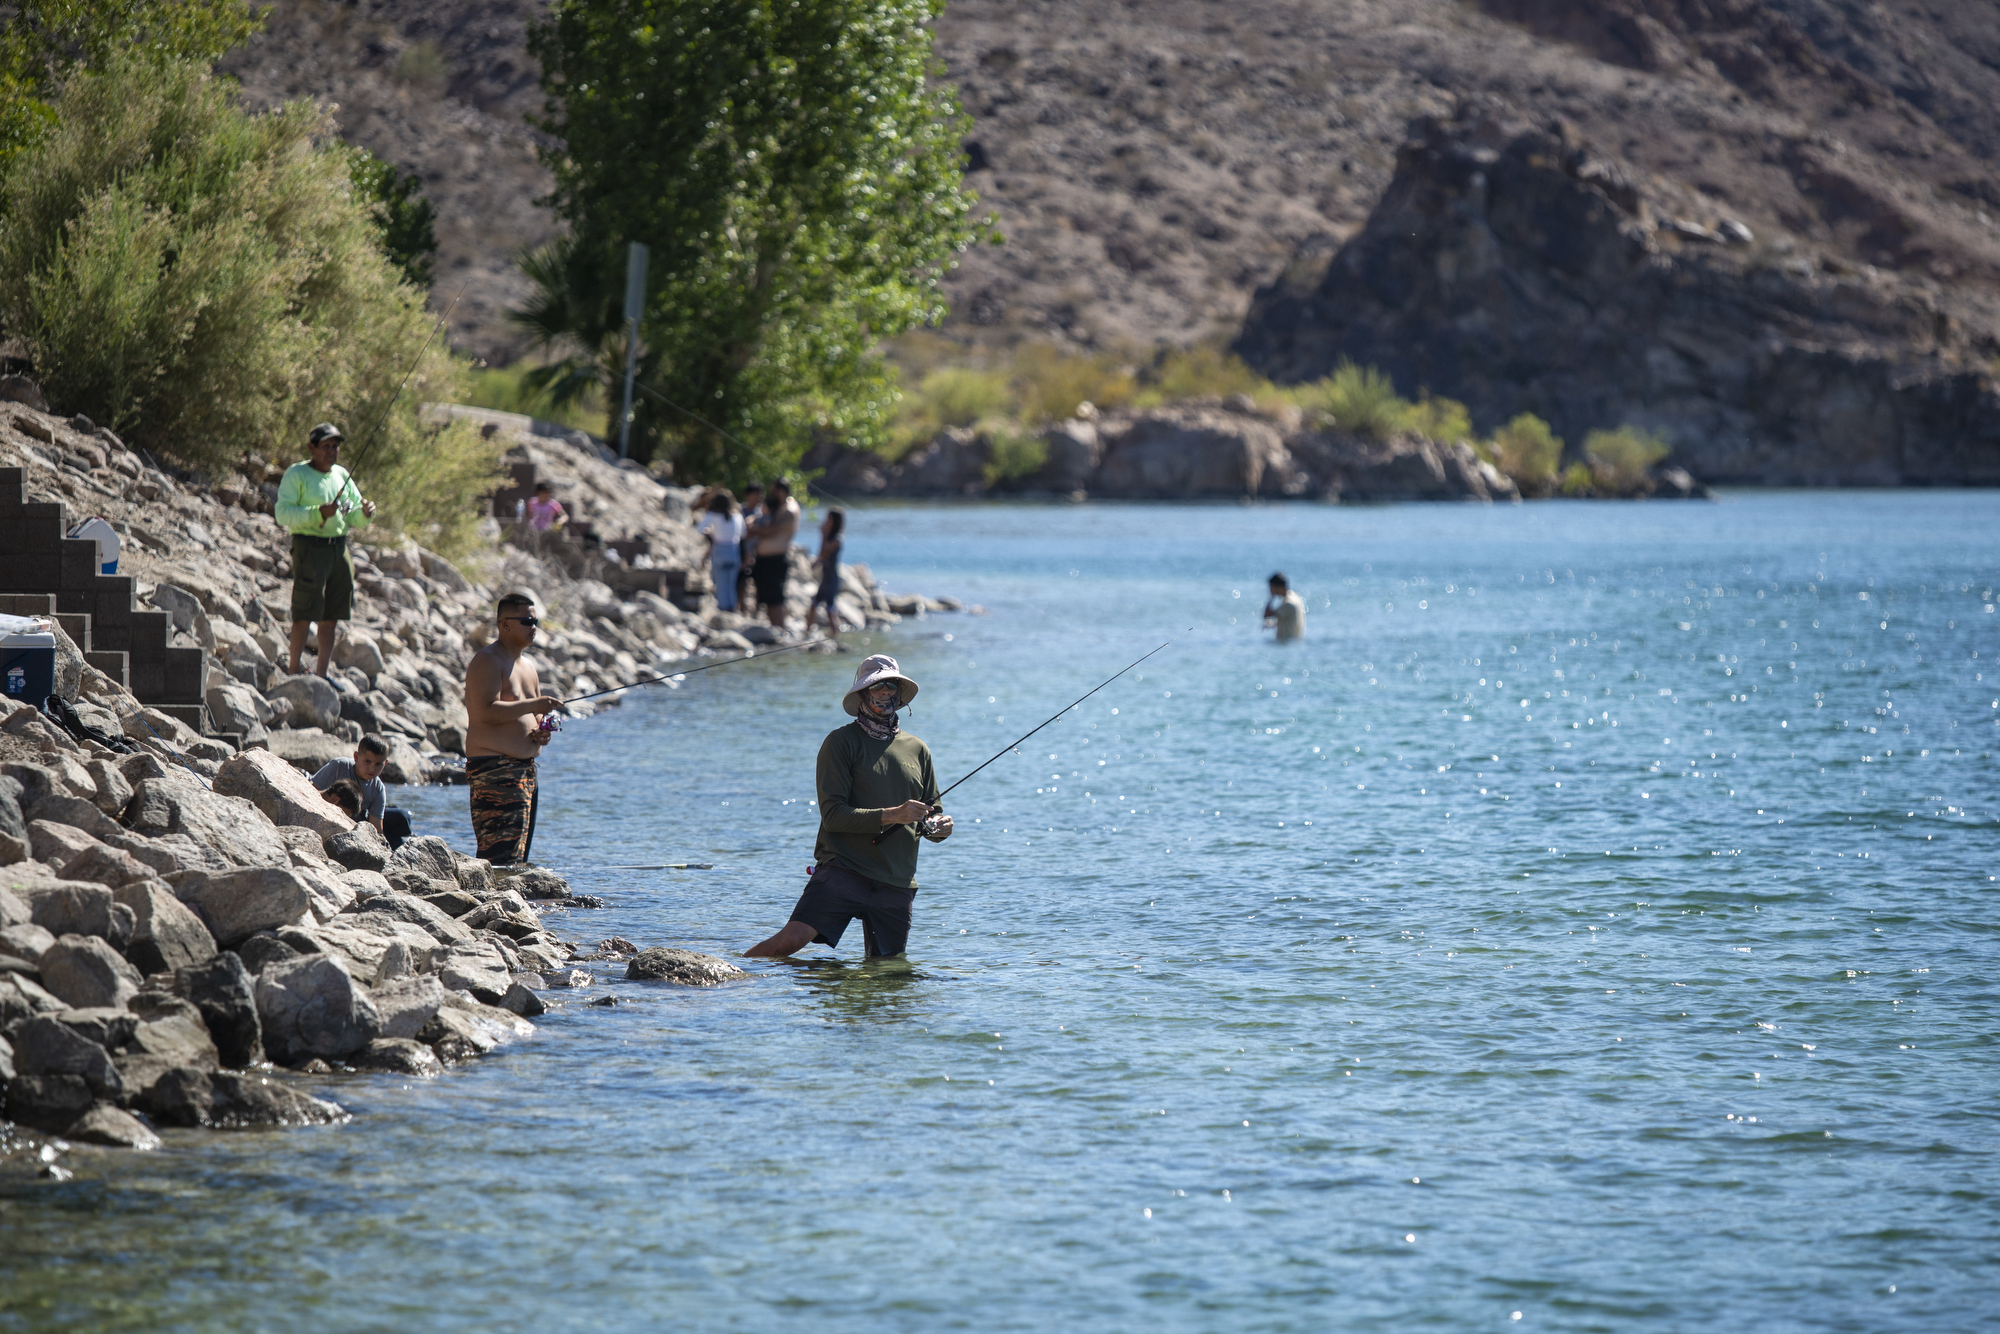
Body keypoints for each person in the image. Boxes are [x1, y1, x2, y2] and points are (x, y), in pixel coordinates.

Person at [746, 654, 953, 959]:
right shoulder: (840, 742)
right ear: (861, 695)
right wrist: (893, 814)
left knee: (887, 972)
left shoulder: (918, 749)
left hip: (896, 881)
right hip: (843, 871)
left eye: (891, 685)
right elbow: (833, 817)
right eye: (876, 686)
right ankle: (728, 981)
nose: (885, 692)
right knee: (788, 943)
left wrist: (939, 828)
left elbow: (930, 817)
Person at [464, 591, 564, 865]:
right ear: (504, 624)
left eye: (536, 622)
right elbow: (485, 711)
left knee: (517, 860)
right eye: (527, 621)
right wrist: (535, 703)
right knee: (498, 858)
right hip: (495, 772)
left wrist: (543, 732)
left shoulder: (529, 667)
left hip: (526, 772)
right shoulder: (487, 660)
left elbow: (536, 716)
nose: (534, 628)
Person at [275, 423, 375, 677]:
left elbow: (353, 516)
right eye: (326, 446)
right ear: (312, 448)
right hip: (309, 548)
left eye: (335, 447)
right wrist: (317, 512)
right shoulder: (296, 474)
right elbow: (282, 513)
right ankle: (294, 669)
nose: (331, 451)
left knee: (331, 615)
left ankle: (322, 674)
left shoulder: (341, 475)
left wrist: (365, 514)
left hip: (339, 550)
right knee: (304, 611)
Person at [309, 733, 412, 848]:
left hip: (358, 823)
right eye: (367, 762)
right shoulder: (339, 766)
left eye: (378, 764)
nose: (372, 769)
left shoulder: (378, 788)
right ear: (356, 757)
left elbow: (376, 828)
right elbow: (311, 791)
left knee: (403, 818)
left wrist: (380, 846)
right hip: (329, 815)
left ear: (385, 763)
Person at [746, 477, 799, 632]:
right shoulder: (779, 508)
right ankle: (775, 629)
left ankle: (780, 629)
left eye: (773, 490)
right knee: (767, 598)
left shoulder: (789, 509)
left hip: (775, 559)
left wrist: (752, 530)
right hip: (766, 559)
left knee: (776, 598)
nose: (770, 494)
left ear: (781, 491)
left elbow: (772, 530)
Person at [697, 490, 744, 612]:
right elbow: (743, 533)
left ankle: (724, 610)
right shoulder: (737, 516)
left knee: (721, 584)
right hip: (734, 550)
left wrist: (711, 533)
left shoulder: (713, 515)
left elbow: (700, 528)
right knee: (731, 585)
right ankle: (732, 609)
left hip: (720, 550)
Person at [804, 507, 844, 640]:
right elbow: (822, 556)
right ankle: (807, 632)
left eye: (829, 519)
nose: (826, 521)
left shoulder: (836, 539)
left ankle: (836, 635)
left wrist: (823, 535)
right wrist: (816, 563)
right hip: (826, 578)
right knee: (814, 604)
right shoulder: (832, 538)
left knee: (829, 608)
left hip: (832, 579)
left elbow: (824, 552)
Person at [736, 482, 765, 613]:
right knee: (742, 582)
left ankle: (756, 612)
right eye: (754, 495)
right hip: (742, 551)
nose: (757, 497)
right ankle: (741, 609)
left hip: (758, 551)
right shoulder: (740, 510)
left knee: (758, 584)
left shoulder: (762, 512)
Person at [1262, 571, 1306, 642]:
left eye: (1272, 587)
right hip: (1295, 640)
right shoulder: (1295, 597)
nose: (1270, 590)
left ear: (1278, 587)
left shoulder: (1288, 603)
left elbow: (1266, 615)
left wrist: (1271, 597)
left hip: (1288, 641)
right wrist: (1274, 623)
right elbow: (1289, 619)